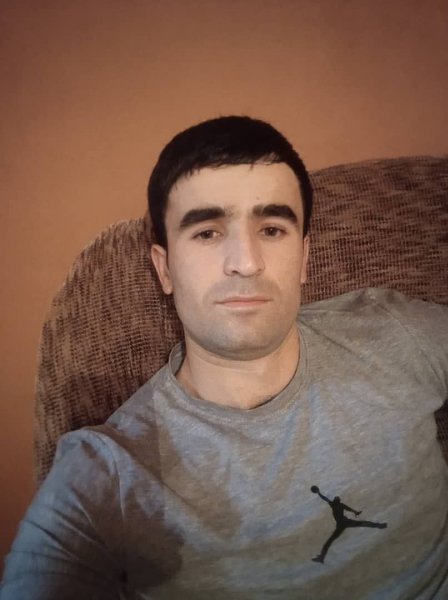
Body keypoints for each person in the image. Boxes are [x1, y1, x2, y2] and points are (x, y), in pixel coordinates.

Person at [1, 116, 447, 599]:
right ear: (164, 269)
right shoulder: (106, 473)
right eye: (207, 233)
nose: (246, 262)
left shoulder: (395, 330)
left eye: (272, 229)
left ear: (304, 258)